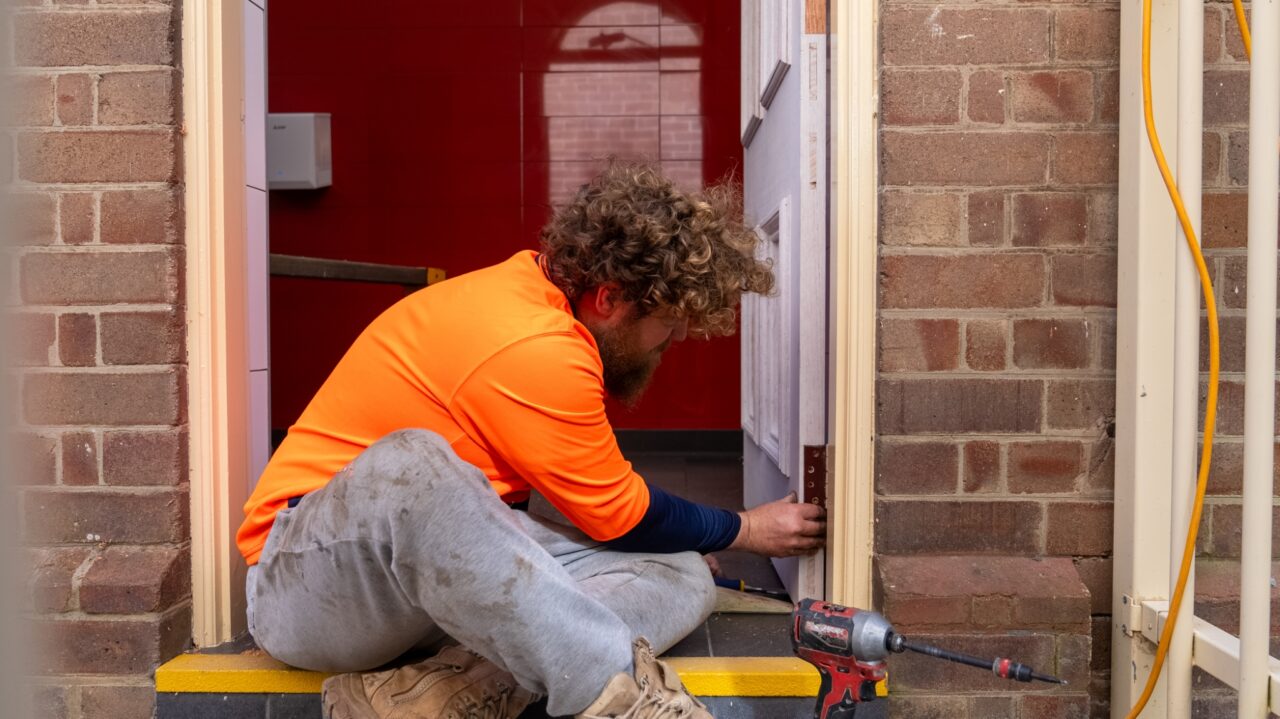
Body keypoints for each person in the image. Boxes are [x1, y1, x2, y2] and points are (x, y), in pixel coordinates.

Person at [236, 162, 827, 719]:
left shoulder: (541, 298)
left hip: (427, 601)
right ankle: (617, 693)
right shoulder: (532, 343)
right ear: (610, 299)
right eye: (668, 324)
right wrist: (747, 529)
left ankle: (437, 695)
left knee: (680, 573)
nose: (671, 342)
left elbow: (585, 512)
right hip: (309, 589)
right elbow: (619, 516)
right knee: (415, 463)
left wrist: (682, 541)